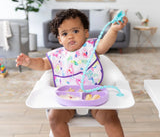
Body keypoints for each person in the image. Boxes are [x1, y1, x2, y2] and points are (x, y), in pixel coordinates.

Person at [16, 9, 128, 137]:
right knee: (54, 118)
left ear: (86, 33)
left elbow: (104, 45)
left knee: (110, 116)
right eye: (64, 33)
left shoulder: (91, 47)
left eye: (75, 31)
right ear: (59, 39)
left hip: (94, 98)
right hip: (66, 101)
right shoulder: (57, 55)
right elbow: (42, 63)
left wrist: (113, 30)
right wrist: (29, 62)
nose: (70, 36)